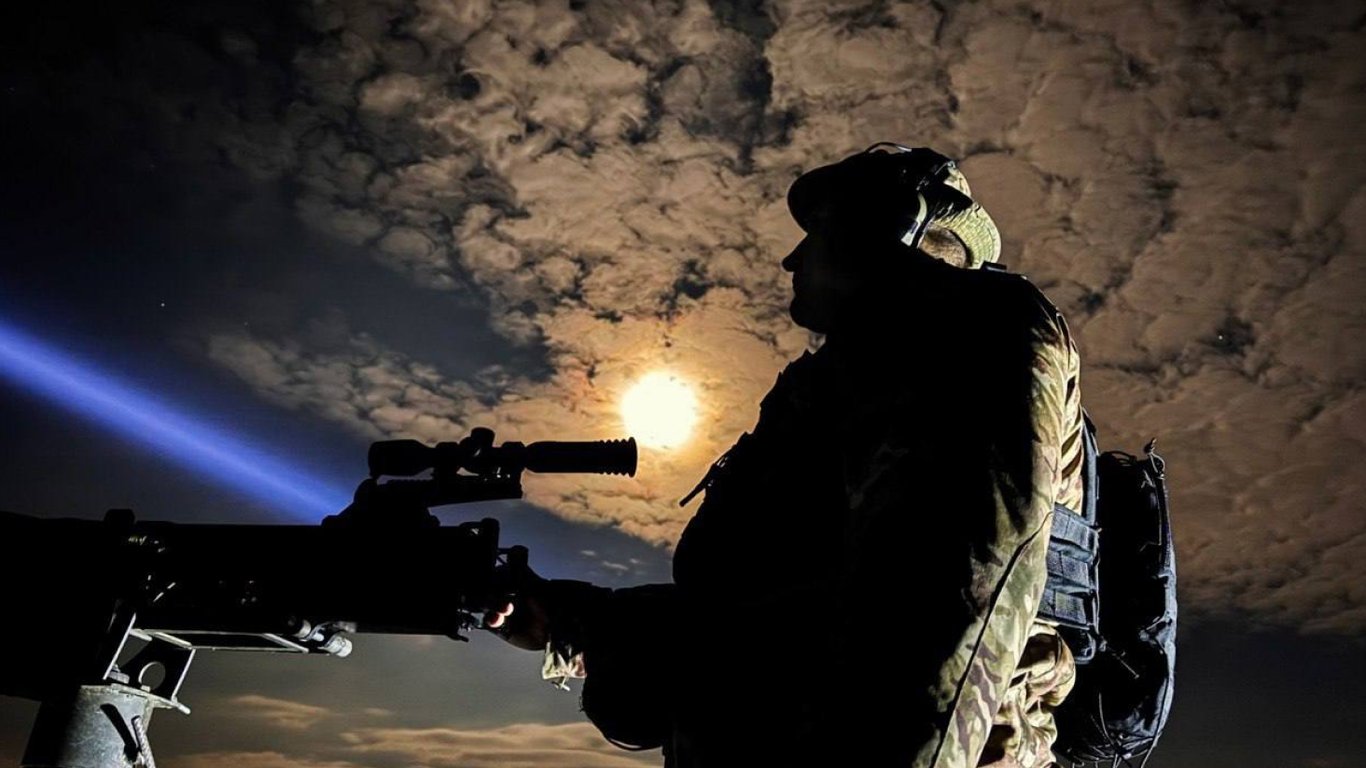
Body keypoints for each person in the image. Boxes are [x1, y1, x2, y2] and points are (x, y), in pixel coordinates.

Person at [485, 144, 1084, 767]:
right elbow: (758, 616)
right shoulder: (845, 380)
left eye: (818, 231)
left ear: (893, 227)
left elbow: (941, 619)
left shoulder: (969, 332)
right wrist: (562, 618)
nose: (792, 258)